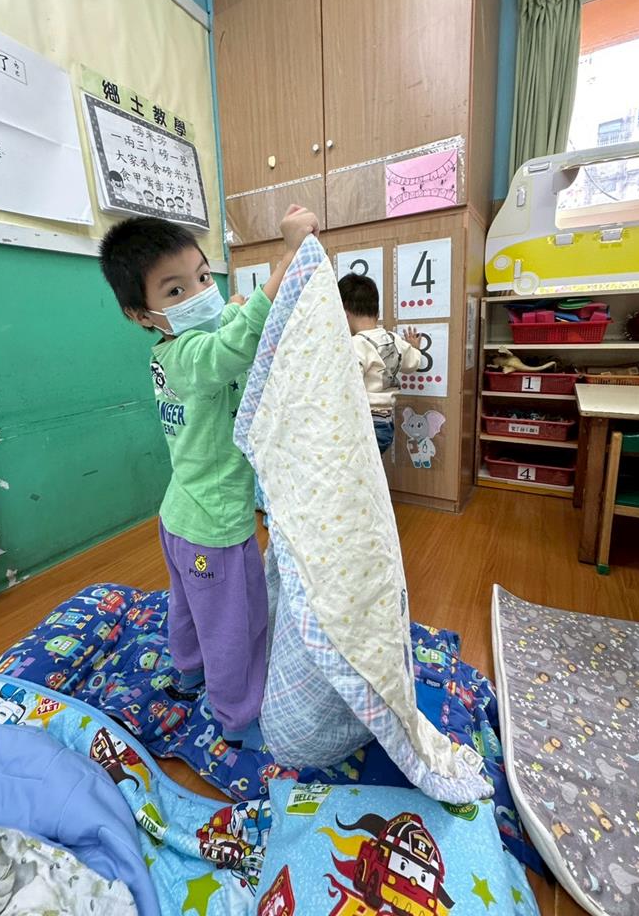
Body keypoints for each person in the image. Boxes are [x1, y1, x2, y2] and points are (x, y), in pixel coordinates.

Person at [99, 205, 318, 748]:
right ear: (139, 314)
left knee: (191, 607)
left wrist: (234, 309)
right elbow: (228, 347)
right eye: (175, 291)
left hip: (179, 517)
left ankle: (189, 672)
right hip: (215, 530)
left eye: (202, 277)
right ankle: (238, 718)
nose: (200, 293)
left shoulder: (170, 350)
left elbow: (219, 334)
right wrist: (288, 256)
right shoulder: (192, 356)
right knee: (233, 623)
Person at [338, 272, 422, 455]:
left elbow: (349, 384)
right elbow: (413, 363)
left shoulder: (355, 345)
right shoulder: (394, 339)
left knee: (358, 467)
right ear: (377, 313)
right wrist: (415, 348)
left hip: (365, 423)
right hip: (386, 424)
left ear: (344, 314)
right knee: (372, 465)